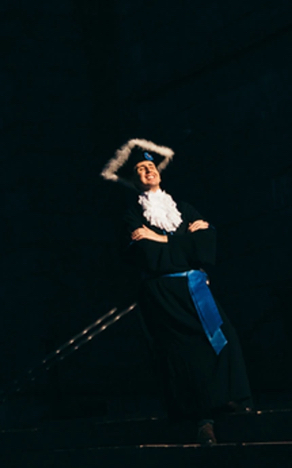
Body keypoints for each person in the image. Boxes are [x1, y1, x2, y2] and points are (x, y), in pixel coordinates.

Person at [101, 139, 251, 445]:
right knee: (185, 353)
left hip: (195, 286)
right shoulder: (131, 216)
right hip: (163, 294)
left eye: (151, 167)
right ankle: (201, 418)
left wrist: (163, 240)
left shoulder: (182, 208)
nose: (148, 171)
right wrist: (180, 242)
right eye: (141, 169)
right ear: (133, 179)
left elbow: (205, 246)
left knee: (223, 339)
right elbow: (146, 255)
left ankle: (229, 400)